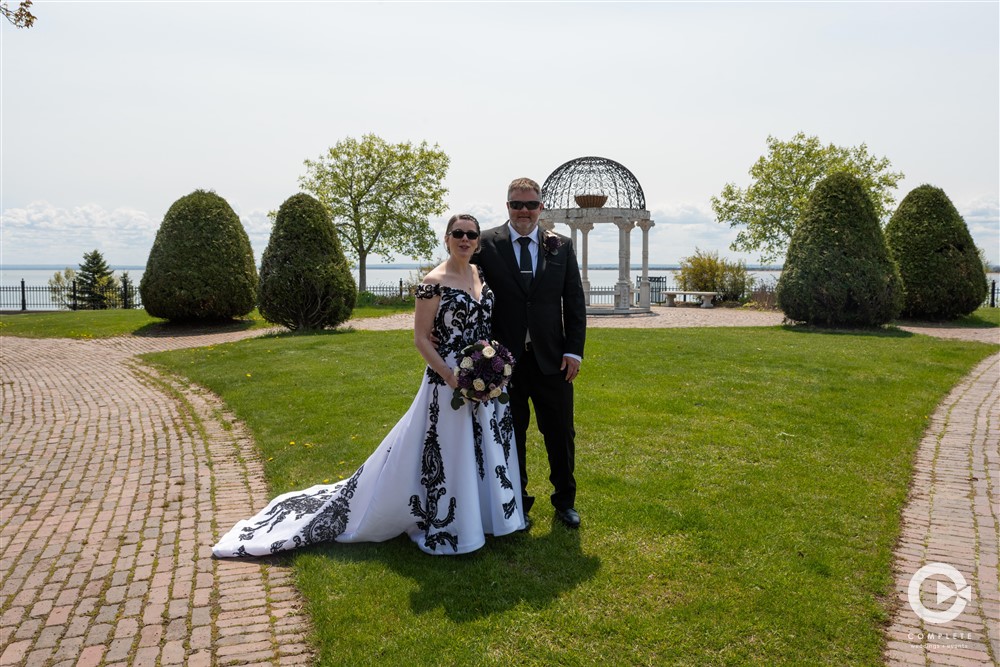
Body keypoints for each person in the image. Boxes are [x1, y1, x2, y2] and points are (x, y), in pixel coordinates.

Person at [212, 214, 526, 557]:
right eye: (458, 234)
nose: (465, 239)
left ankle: (486, 517)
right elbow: (421, 339)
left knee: (485, 446)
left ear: (478, 241)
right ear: (447, 238)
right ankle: (451, 524)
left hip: (483, 378)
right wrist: (451, 377)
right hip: (447, 380)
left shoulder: (479, 274)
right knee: (452, 449)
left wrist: (489, 363)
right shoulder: (431, 281)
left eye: (471, 234)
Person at [474, 178, 587, 528]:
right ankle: (517, 500)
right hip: (503, 361)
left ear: (541, 207)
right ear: (507, 206)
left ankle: (564, 501)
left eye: (531, 205)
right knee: (510, 433)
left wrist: (574, 352)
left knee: (560, 433)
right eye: (516, 204)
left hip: (552, 360)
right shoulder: (486, 245)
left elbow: (575, 303)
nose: (524, 211)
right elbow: (464, 287)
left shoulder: (562, 247)